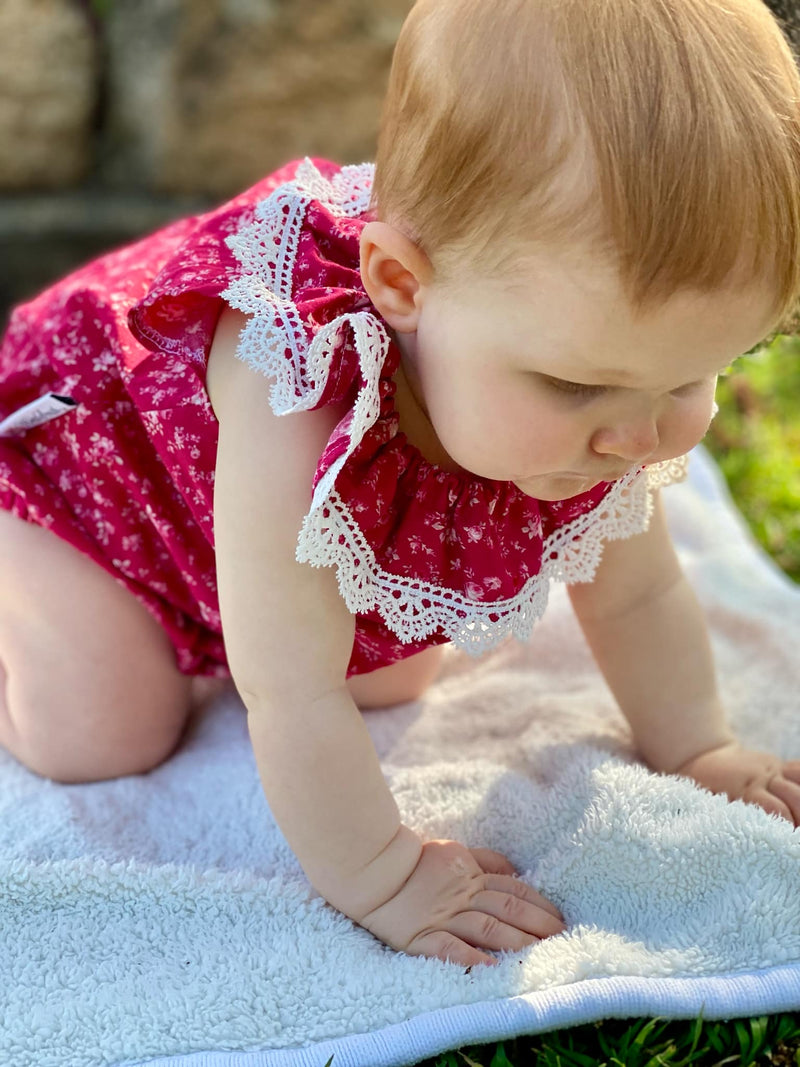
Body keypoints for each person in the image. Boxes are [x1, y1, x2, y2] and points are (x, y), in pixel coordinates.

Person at [1, 0, 799, 970]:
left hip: (235, 527)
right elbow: (285, 686)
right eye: (575, 382)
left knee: (388, 670)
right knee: (102, 731)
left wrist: (696, 745)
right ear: (402, 284)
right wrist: (381, 870)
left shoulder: (574, 371)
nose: (637, 432)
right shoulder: (288, 372)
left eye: (688, 375)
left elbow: (636, 588)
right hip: (87, 487)